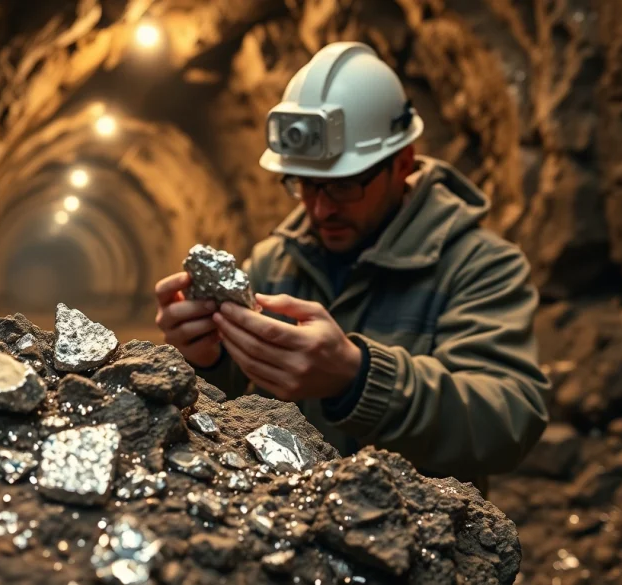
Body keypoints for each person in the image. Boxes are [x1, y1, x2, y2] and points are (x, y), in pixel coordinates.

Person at [153, 41, 549, 491]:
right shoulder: (274, 261)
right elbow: (233, 401)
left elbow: (508, 421)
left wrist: (357, 377)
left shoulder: (479, 266)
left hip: (415, 539)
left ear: (402, 163)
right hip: (289, 527)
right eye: (303, 184)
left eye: (343, 187)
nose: (320, 210)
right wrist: (208, 358)